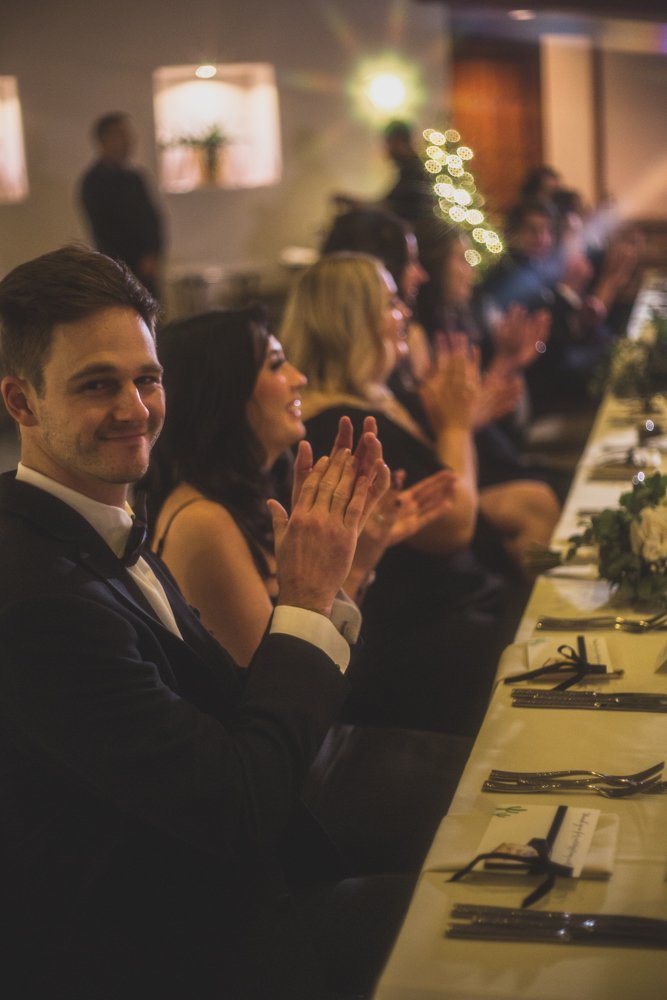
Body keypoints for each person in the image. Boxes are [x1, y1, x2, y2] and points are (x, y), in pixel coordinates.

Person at [0, 244, 424, 1000]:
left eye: (147, 378)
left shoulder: (96, 520)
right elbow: (240, 803)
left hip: (214, 885)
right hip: (160, 947)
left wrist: (329, 587)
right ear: (22, 403)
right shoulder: (37, 601)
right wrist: (300, 600)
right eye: (98, 385)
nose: (135, 409)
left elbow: (227, 709)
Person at [143, 306, 469, 876]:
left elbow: (312, 660)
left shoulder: (243, 499)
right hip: (299, 800)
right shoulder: (204, 522)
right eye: (276, 364)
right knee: (475, 800)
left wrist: (360, 559)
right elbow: (285, 712)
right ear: (225, 393)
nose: (299, 378)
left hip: (323, 753)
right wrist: (336, 579)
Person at [282, 252, 519, 736]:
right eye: (390, 302)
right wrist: (455, 427)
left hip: (454, 600)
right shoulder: (341, 424)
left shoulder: (376, 396)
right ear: (351, 321)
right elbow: (454, 527)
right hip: (422, 625)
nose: (404, 314)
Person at [80, 112, 165, 297]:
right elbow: (103, 229)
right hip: (121, 269)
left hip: (147, 268)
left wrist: (154, 252)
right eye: (121, 135)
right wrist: (125, 264)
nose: (128, 141)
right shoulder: (94, 182)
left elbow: (152, 218)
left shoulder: (135, 178)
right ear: (104, 140)